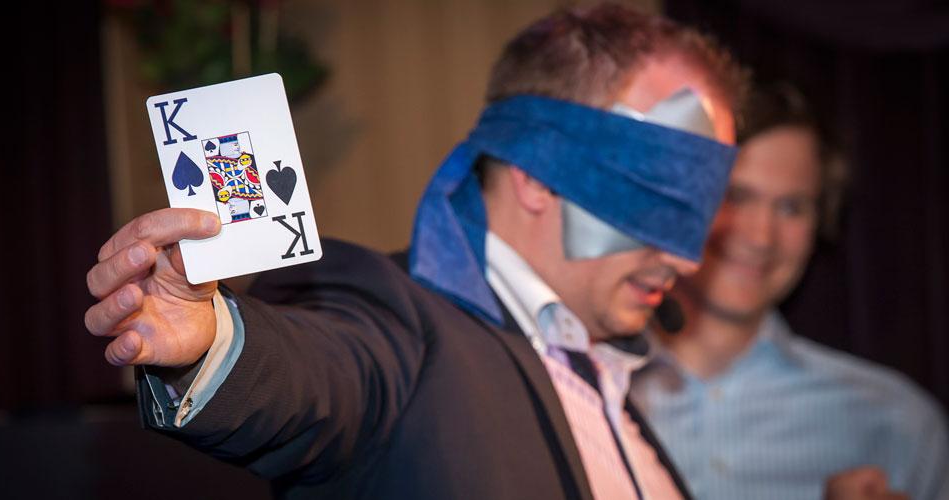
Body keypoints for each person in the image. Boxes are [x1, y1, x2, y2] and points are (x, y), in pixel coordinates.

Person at [85, 4, 746, 499]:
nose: (688, 259)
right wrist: (212, 339)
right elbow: (324, 375)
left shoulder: (617, 383)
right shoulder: (396, 325)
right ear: (540, 175)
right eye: (660, 199)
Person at [630, 84, 949, 500]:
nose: (761, 237)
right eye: (734, 196)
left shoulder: (897, 424)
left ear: (822, 223)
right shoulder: (589, 391)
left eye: (791, 208)